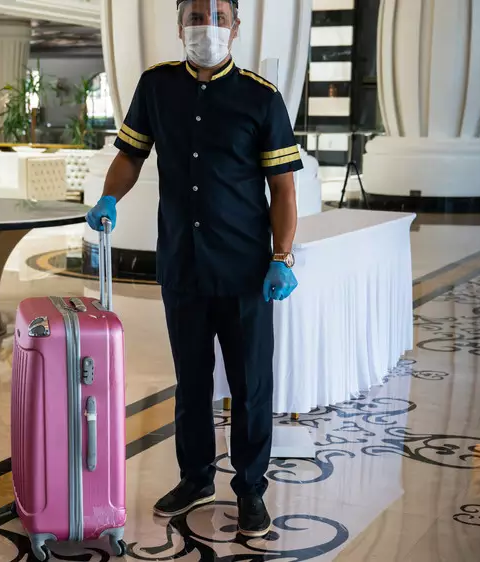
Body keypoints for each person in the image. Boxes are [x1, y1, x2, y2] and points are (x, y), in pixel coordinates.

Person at [86, 0, 301, 538]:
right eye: (197, 17)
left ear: (236, 27)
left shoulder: (261, 97)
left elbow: (282, 188)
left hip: (246, 271)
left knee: (251, 384)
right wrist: (109, 196)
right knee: (191, 381)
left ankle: (250, 489)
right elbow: (131, 154)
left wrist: (281, 256)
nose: (208, 27)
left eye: (219, 17)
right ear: (180, 26)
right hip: (182, 263)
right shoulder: (157, 87)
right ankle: (196, 477)